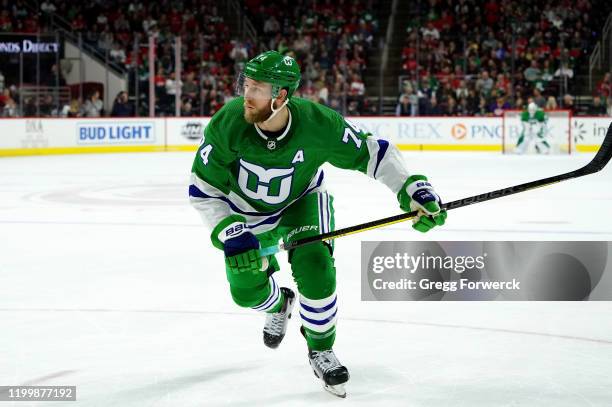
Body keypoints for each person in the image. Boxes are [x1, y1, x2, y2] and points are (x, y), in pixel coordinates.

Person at [188, 51, 447, 398]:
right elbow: (203, 188)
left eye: (257, 89)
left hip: (302, 202)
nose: (246, 95)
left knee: (317, 268)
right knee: (245, 291)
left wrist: (412, 188)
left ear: (281, 96)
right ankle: (279, 304)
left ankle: (320, 347)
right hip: (245, 213)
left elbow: (374, 153)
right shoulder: (228, 122)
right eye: (245, 85)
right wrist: (230, 231)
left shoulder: (318, 123)